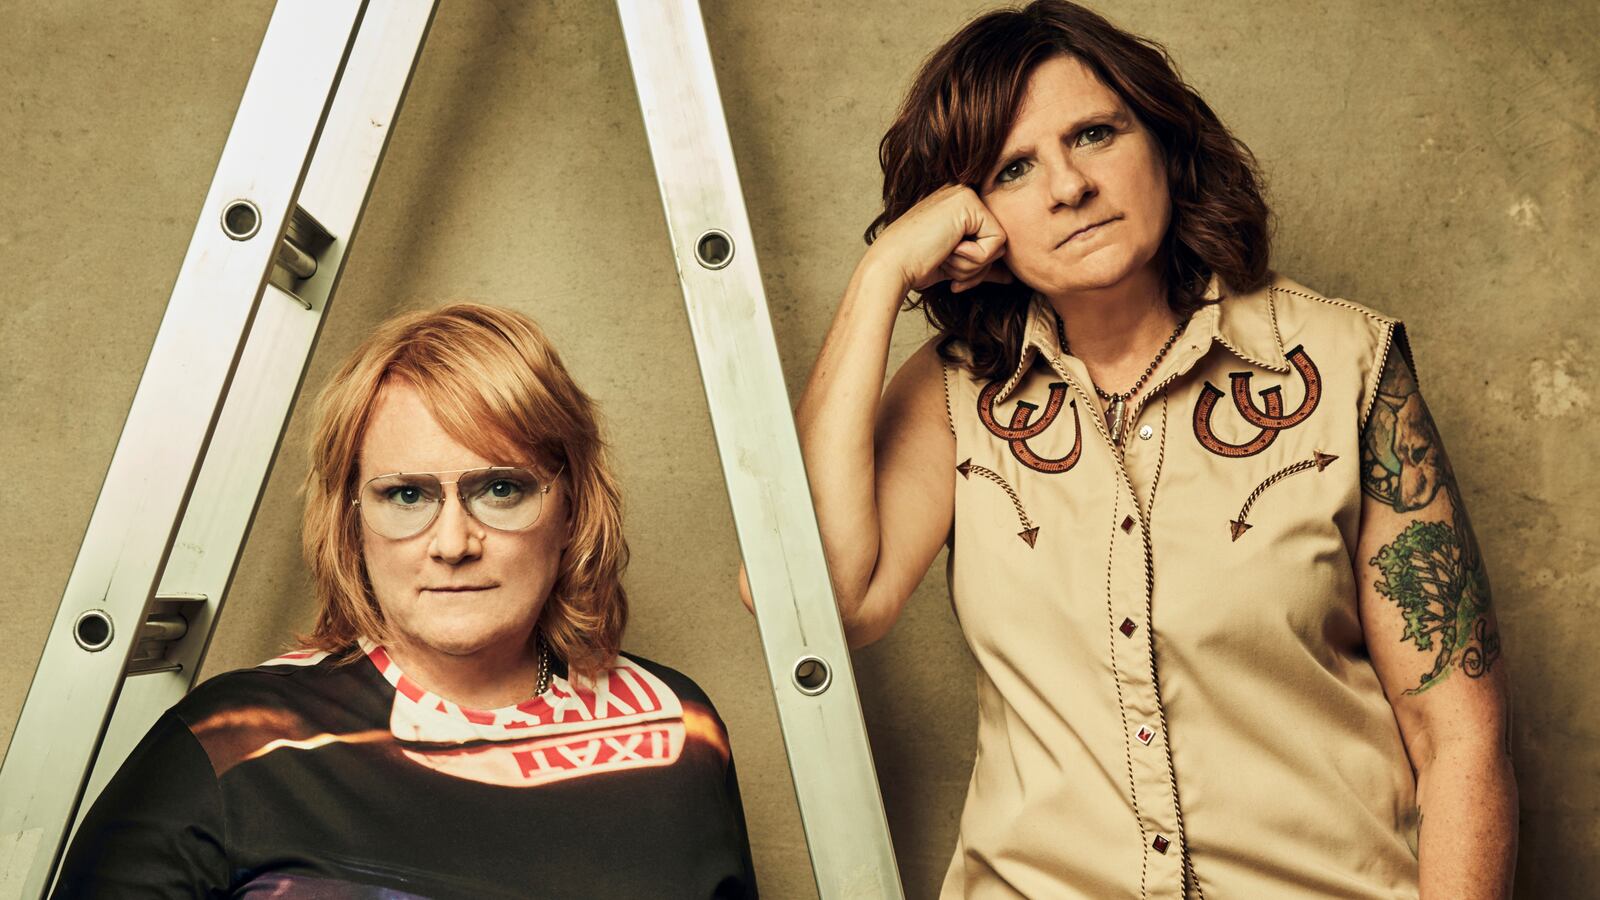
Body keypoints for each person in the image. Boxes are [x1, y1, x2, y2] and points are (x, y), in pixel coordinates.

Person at [784, 2, 1516, 897]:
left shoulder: (1345, 366)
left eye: (1094, 134)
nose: (1067, 186)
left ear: (1165, 140)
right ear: (969, 215)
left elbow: (1459, 737)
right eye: (1014, 169)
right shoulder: (956, 394)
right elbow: (822, 597)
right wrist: (882, 275)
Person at [56, 303, 757, 899]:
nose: (452, 542)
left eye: (501, 489)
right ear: (351, 520)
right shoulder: (231, 742)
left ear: (572, 506)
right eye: (407, 495)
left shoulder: (680, 728)